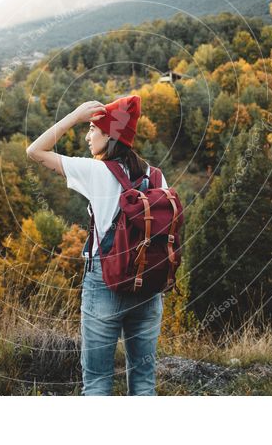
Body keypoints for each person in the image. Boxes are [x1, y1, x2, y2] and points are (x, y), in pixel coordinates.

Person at [25, 95, 168, 395]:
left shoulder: (95, 171)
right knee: (143, 382)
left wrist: (74, 115)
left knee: (98, 383)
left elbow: (34, 150)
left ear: (110, 135)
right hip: (148, 283)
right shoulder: (156, 176)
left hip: (105, 281)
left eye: (92, 129)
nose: (88, 135)